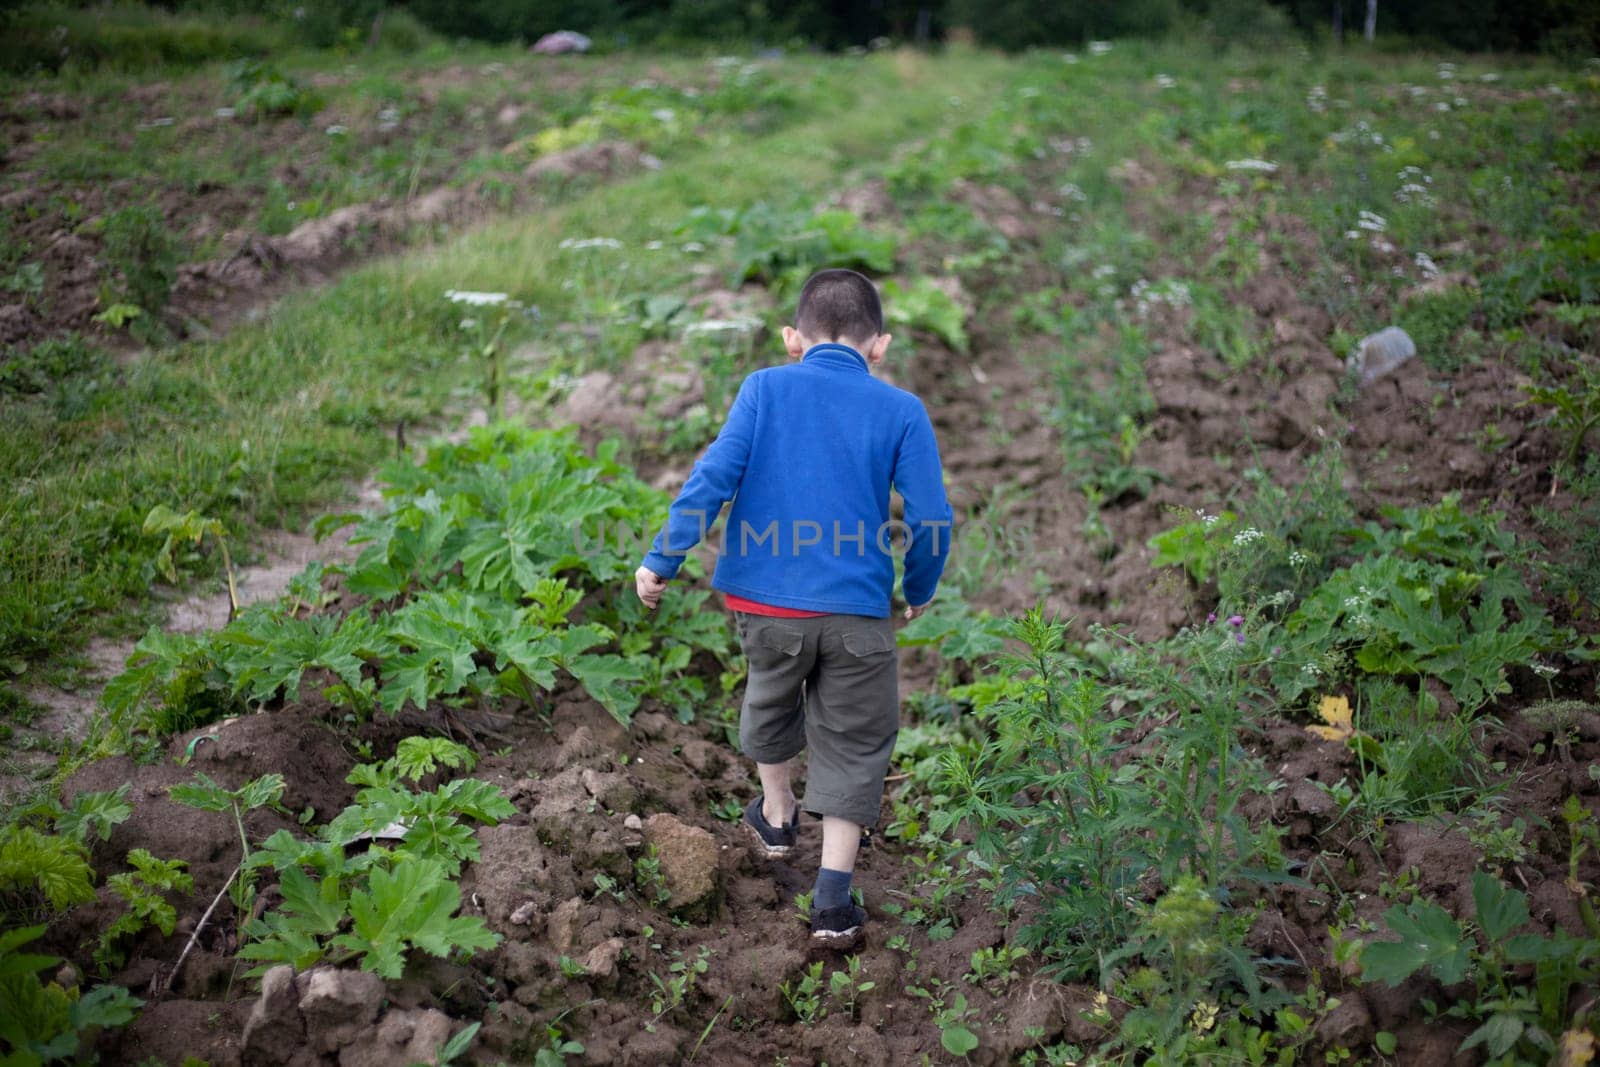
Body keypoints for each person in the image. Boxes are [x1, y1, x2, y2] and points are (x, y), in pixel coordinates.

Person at [632, 268, 952, 944]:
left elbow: (712, 477)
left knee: (771, 697)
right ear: (880, 346)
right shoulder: (902, 411)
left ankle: (777, 812)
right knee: (856, 739)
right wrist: (918, 587)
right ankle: (832, 901)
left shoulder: (764, 388)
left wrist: (662, 557)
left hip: (767, 604)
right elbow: (931, 518)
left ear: (791, 338)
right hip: (859, 611)